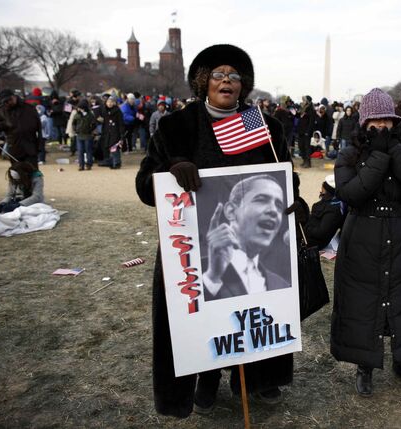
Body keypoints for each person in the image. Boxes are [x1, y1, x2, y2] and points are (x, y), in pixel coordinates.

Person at [135, 44, 293, 418]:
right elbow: (145, 187)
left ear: (244, 85)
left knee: (253, 308)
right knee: (201, 313)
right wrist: (171, 169)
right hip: (192, 246)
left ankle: (259, 376)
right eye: (219, 75)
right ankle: (203, 380)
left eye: (235, 76)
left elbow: (283, 174)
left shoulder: (261, 125)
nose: (227, 81)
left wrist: (294, 200)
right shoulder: (176, 126)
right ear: (203, 82)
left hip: (256, 245)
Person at [331, 88, 401, 398]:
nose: (381, 127)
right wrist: (379, 156)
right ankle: (364, 366)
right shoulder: (351, 152)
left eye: (386, 121)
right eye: (374, 121)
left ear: (394, 121)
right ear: (364, 123)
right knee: (362, 303)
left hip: (398, 234)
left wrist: (396, 153)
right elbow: (351, 194)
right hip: (362, 235)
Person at [202, 174, 290, 301]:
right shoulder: (196, 271)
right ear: (231, 211)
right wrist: (212, 278)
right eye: (261, 200)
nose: (273, 210)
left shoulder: (281, 285)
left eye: (279, 205)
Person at [0, 89, 41, 168]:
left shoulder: (29, 108)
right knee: (17, 173)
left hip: (30, 145)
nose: (8, 103)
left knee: (33, 172)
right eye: (5, 102)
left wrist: (39, 145)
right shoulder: (1, 110)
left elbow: (39, 128)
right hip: (14, 146)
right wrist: (5, 124)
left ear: (14, 96)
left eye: (9, 100)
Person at [304, 174, 345, 250]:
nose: (320, 190)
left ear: (327, 190)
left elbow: (321, 232)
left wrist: (306, 228)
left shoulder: (333, 210)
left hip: (314, 243)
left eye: (323, 188)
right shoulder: (330, 203)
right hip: (312, 238)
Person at [98, 96, 124, 169]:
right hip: (107, 132)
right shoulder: (104, 110)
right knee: (109, 148)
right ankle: (113, 162)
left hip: (115, 132)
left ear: (114, 103)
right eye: (108, 102)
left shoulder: (118, 111)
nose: (109, 103)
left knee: (114, 148)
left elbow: (121, 123)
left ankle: (117, 163)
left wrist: (121, 134)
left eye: (111, 102)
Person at [72, 99, 96, 171]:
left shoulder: (90, 115)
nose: (79, 109)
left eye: (80, 108)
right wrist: (75, 129)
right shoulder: (77, 115)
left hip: (88, 135)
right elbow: (73, 123)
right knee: (80, 151)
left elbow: (94, 124)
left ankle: (89, 164)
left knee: (88, 150)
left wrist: (90, 130)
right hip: (79, 135)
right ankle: (81, 165)